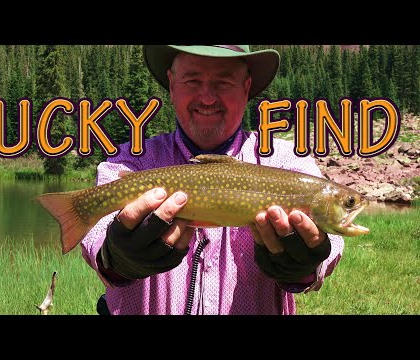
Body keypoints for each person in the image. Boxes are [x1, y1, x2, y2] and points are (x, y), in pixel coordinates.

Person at [81, 45, 344, 315]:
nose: (207, 98)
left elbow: (331, 237)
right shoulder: (130, 162)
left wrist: (306, 264)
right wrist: (115, 257)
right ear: (172, 84)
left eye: (224, 81)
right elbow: (95, 234)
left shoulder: (286, 163)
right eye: (193, 80)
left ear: (246, 87)